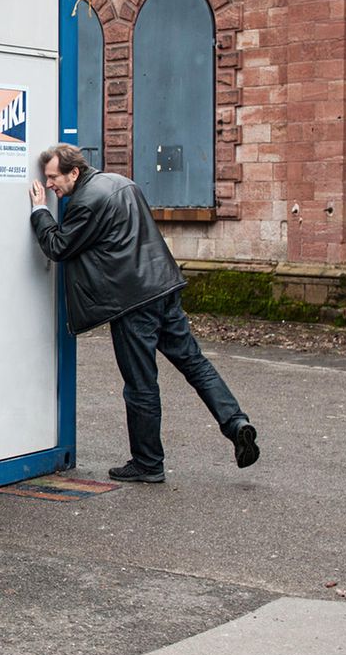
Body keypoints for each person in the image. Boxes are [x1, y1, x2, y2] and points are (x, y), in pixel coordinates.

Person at [28, 144, 259, 483]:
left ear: (73, 172)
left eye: (52, 178)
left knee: (141, 385)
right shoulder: (122, 183)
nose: (49, 185)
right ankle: (235, 422)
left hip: (132, 302)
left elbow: (58, 247)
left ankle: (148, 462)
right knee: (194, 363)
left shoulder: (86, 202)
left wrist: (38, 211)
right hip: (163, 287)